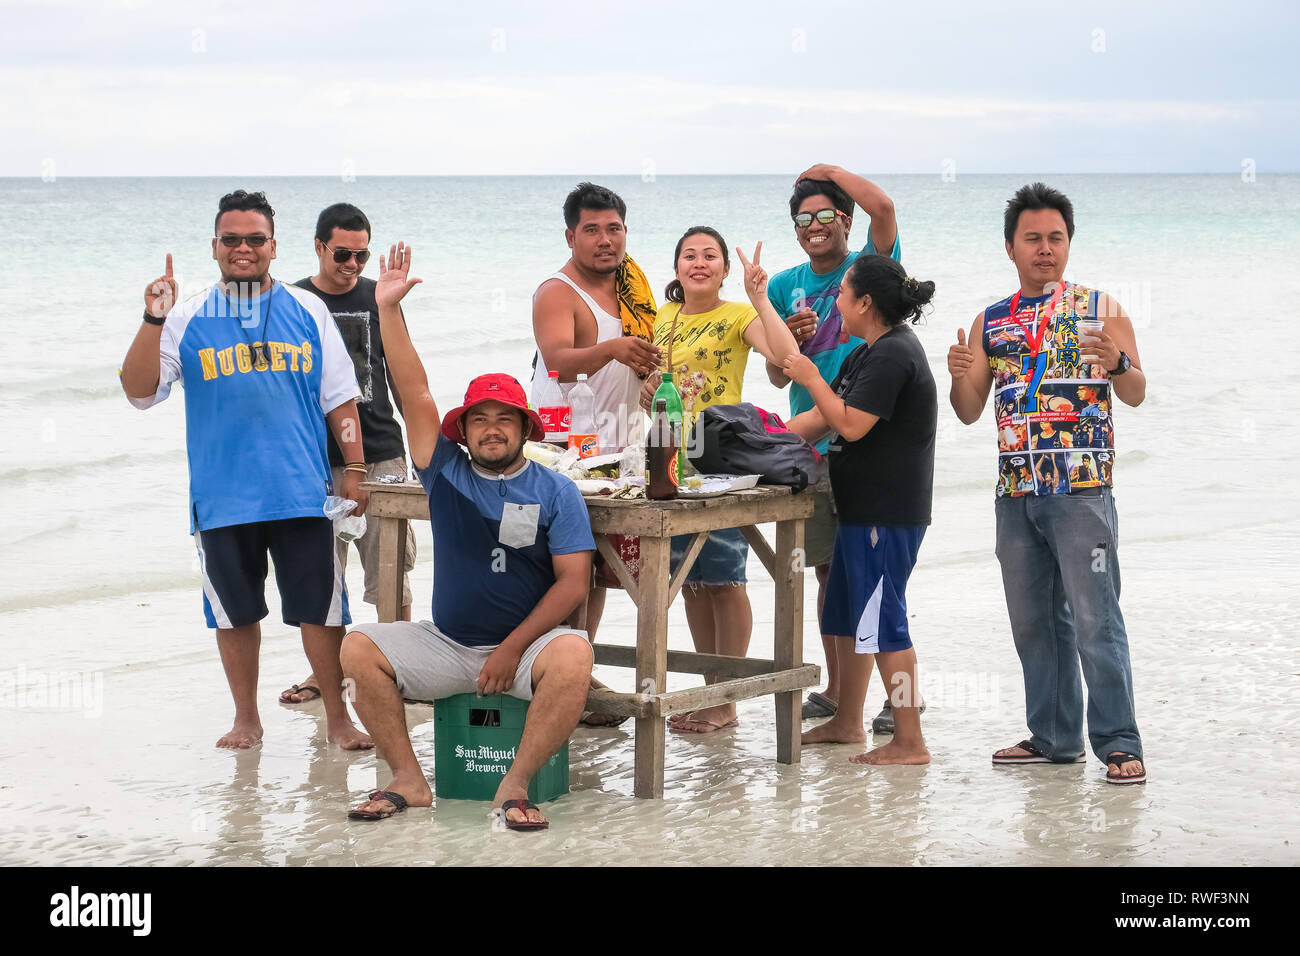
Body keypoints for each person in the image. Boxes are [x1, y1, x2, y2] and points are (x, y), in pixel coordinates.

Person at [343, 243, 596, 829]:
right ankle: (408, 779)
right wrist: (388, 310)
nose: (490, 429)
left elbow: (573, 585)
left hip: (527, 651)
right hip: (449, 644)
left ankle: (515, 785)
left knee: (575, 653)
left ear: (524, 428)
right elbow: (415, 393)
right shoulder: (446, 470)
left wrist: (512, 648)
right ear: (465, 428)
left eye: (504, 418)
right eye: (478, 419)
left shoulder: (555, 490)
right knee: (357, 648)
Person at [119, 189, 372, 751]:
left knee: (323, 613)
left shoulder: (308, 311)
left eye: (255, 239)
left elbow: (340, 399)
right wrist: (151, 318)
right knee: (234, 616)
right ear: (214, 247)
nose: (243, 249)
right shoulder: (185, 318)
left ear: (274, 247)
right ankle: (246, 720)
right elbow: (139, 392)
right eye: (231, 239)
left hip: (302, 492)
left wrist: (353, 469)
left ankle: (338, 719)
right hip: (222, 497)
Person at [948, 182, 1147, 784]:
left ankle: (1118, 743)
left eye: (1055, 238)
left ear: (1069, 244)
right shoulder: (992, 319)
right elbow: (967, 410)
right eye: (1032, 239)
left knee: (1095, 618)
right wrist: (959, 374)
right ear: (1010, 247)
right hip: (1016, 493)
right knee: (1034, 622)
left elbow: (1136, 392)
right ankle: (1054, 738)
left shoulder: (1101, 308)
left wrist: (1116, 363)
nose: (1045, 249)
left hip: (1082, 488)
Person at [761, 163, 911, 734]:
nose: (814, 226)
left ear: (845, 219)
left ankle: (899, 700)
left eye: (826, 214)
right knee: (829, 574)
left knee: (881, 577)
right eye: (803, 219)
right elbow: (778, 379)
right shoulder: (780, 286)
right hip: (812, 441)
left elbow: (886, 209)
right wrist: (790, 345)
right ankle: (838, 690)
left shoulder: (866, 269)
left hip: (865, 433)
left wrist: (829, 171)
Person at [637, 229, 801, 734]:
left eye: (711, 256)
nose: (699, 263)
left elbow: (785, 358)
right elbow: (660, 382)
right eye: (690, 256)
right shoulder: (664, 318)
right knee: (690, 583)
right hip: (668, 456)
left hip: (719, 455)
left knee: (726, 579)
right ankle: (711, 691)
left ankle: (727, 700)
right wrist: (646, 389)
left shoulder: (737, 315)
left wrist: (759, 298)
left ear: (725, 268)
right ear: (677, 266)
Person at [780, 255, 936, 765]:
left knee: (887, 621)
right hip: (857, 510)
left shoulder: (894, 354)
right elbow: (819, 420)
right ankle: (847, 722)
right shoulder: (862, 354)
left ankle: (910, 740)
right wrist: (754, 438)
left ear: (865, 302)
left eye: (843, 293)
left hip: (886, 513)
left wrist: (807, 371)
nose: (836, 303)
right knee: (846, 615)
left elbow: (849, 425)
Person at [530, 182, 662, 724]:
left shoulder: (632, 289)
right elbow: (559, 361)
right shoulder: (556, 291)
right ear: (571, 235)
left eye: (614, 229)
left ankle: (576, 671)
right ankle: (546, 674)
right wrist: (612, 347)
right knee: (559, 572)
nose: (605, 240)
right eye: (592, 230)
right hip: (563, 452)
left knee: (599, 572)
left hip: (619, 452)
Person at [278, 203, 418, 705]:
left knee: (390, 574)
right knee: (319, 577)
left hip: (381, 453)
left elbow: (402, 375)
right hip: (311, 460)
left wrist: (427, 449)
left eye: (361, 255)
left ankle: (397, 669)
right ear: (318, 247)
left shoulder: (378, 298)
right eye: (342, 254)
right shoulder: (291, 301)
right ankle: (327, 675)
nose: (352, 265)